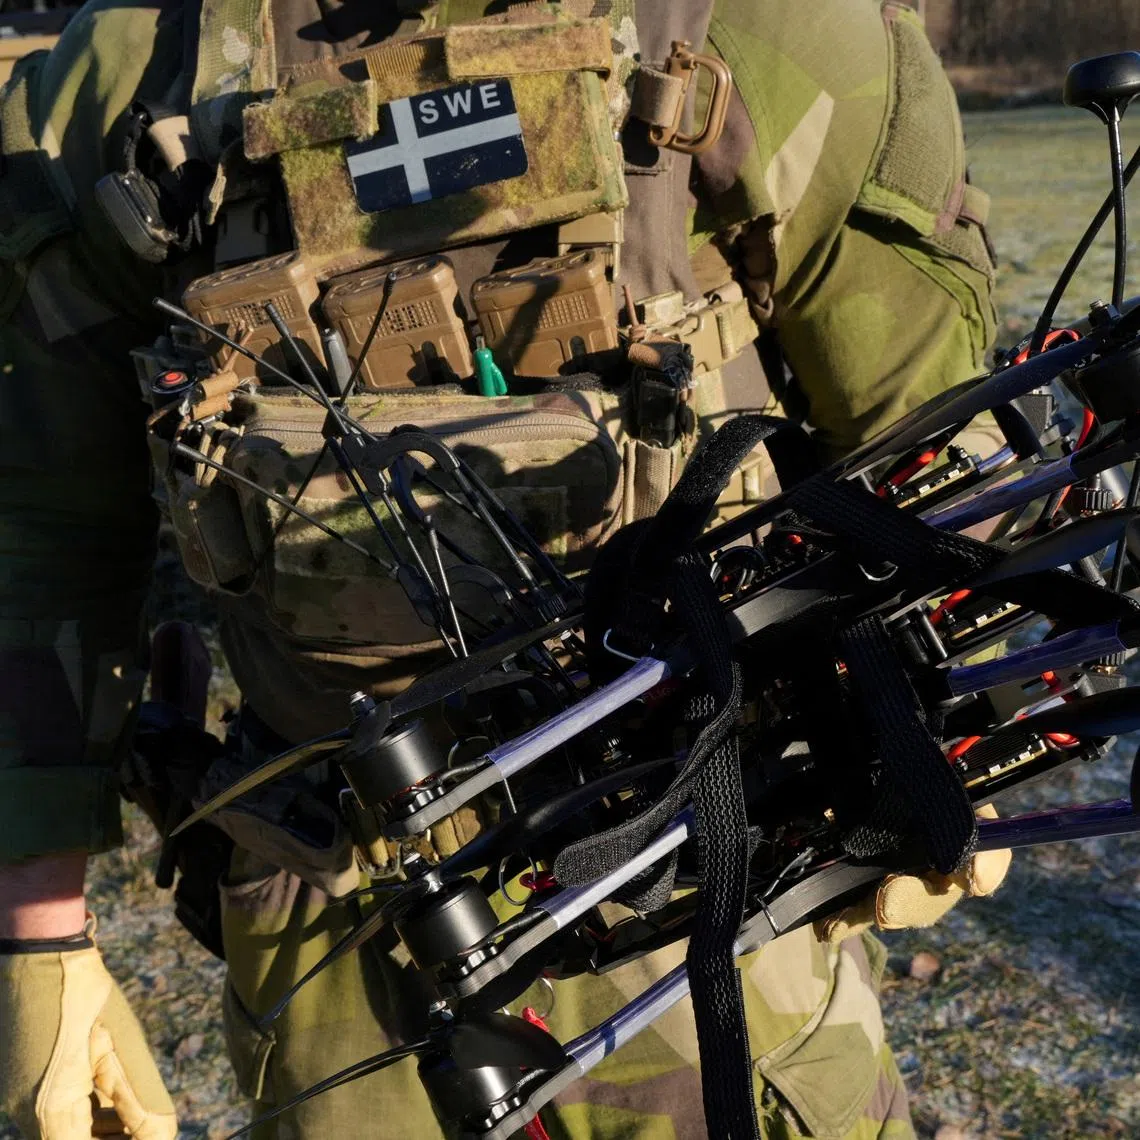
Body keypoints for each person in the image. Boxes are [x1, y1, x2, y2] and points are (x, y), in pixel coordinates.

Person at [0, 0, 1008, 1137]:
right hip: (336, 950)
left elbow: (926, 459)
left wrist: (942, 734)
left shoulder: (770, 29)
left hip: (714, 901)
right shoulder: (133, 67)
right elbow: (40, 530)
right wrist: (40, 937)